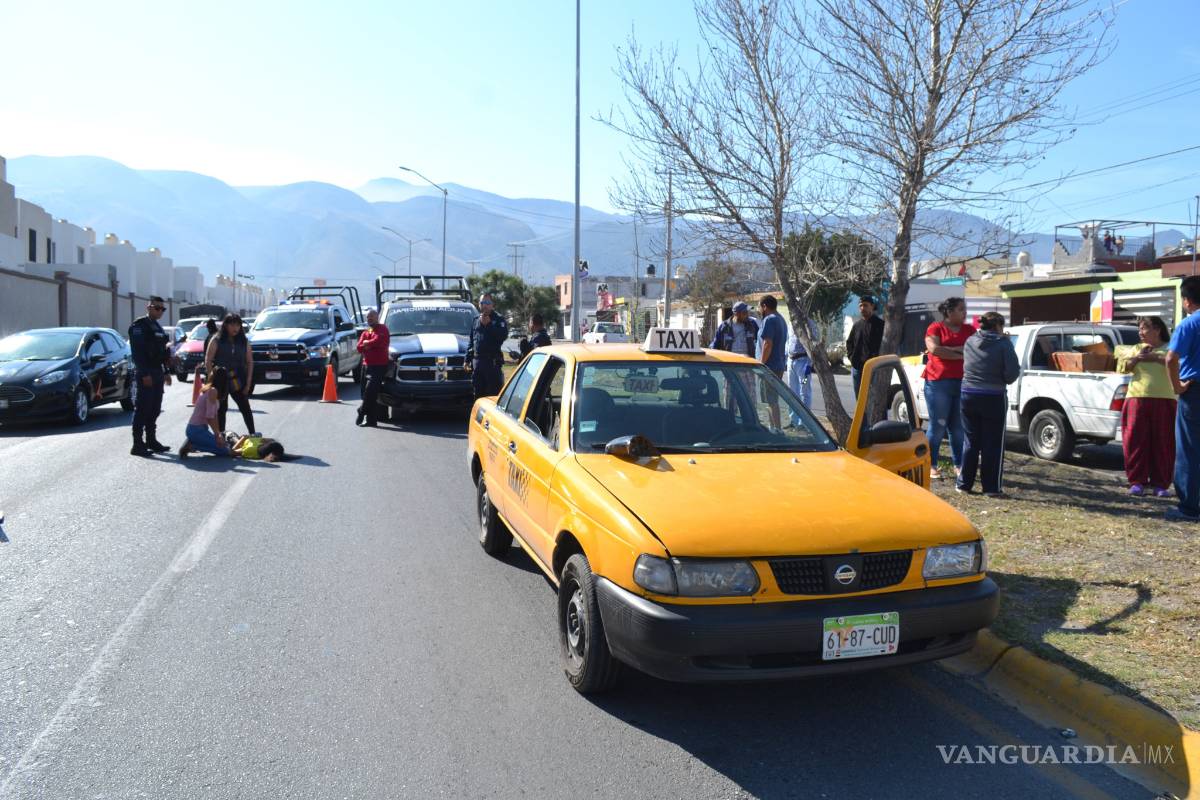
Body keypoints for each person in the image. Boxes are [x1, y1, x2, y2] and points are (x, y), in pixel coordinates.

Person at [956, 312, 1019, 497]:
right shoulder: (1003, 344)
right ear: (998, 326)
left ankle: (963, 484)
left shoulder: (969, 341)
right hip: (993, 396)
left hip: (968, 394)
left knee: (970, 441)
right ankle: (991, 487)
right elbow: (1011, 375)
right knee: (992, 443)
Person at [1116, 316, 1175, 497]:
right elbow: (1121, 367)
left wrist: (1156, 358)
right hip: (1136, 399)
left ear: (1157, 329)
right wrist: (1137, 359)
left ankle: (1161, 484)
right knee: (1135, 441)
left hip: (1165, 399)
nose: (1140, 332)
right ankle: (1137, 482)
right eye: (1139, 329)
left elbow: (1178, 364)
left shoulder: (1171, 348)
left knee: (1163, 442)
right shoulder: (1135, 349)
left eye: (1144, 328)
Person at [923, 297, 976, 479]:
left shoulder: (970, 330)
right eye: (961, 309)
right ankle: (930, 464)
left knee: (958, 427)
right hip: (938, 382)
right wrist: (961, 351)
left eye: (965, 309)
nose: (965, 312)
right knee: (938, 425)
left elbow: (975, 351)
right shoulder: (935, 328)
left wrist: (951, 350)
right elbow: (935, 350)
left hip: (963, 382)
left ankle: (959, 464)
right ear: (949, 312)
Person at [1166, 276, 1200, 522]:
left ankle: (1188, 507)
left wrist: (1177, 386)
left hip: (1194, 391)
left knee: (1188, 449)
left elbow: (1170, 358)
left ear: (1187, 301)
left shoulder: (1189, 325)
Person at [128, 295, 173, 456]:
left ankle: (151, 440)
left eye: (162, 308)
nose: (160, 311)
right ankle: (137, 444)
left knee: (154, 408)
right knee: (143, 408)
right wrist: (145, 373)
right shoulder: (139, 326)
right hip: (146, 372)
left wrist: (166, 372)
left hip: (157, 371)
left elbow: (162, 353)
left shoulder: (158, 328)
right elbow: (138, 353)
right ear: (149, 307)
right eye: (157, 307)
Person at [204, 314, 255, 436]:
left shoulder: (244, 341)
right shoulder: (216, 339)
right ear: (225, 325)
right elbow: (208, 359)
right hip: (220, 380)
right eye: (232, 324)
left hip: (238, 380)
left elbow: (250, 362)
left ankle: (253, 434)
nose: (235, 328)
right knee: (221, 409)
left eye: (238, 325)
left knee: (245, 407)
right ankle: (221, 436)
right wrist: (211, 380)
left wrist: (248, 383)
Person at [179, 366, 231, 458]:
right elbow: (210, 416)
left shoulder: (211, 390)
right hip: (196, 430)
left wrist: (218, 433)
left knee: (223, 446)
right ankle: (193, 445)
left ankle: (193, 442)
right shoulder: (213, 391)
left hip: (200, 428)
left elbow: (215, 416)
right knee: (225, 450)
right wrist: (217, 435)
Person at [355, 307, 391, 427]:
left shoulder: (383, 329)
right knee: (368, 393)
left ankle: (361, 411)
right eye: (368, 317)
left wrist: (367, 343)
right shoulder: (366, 332)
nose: (369, 319)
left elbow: (380, 341)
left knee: (370, 391)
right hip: (366, 366)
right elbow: (359, 347)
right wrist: (367, 344)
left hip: (379, 366)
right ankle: (371, 421)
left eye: (372, 316)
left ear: (377, 317)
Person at [470, 293, 509, 399]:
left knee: (492, 396)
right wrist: (467, 359)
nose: (485, 305)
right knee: (478, 395)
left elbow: (502, 336)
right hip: (478, 364)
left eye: (488, 303)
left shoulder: (498, 319)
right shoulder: (475, 320)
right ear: (479, 304)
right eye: (483, 303)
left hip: (492, 363)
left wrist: (489, 325)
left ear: (492, 305)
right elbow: (471, 341)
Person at [757, 295, 787, 429]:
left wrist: (761, 364)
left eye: (759, 307)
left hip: (769, 366)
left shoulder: (769, 319)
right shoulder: (781, 319)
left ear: (764, 306)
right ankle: (774, 427)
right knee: (772, 400)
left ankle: (775, 429)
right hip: (778, 365)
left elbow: (767, 344)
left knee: (770, 401)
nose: (759, 310)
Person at [846, 295, 885, 397]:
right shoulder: (857, 325)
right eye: (861, 306)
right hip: (857, 368)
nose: (863, 308)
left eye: (865, 305)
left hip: (874, 369)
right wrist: (851, 358)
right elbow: (849, 343)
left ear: (872, 306)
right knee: (860, 399)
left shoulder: (880, 325)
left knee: (873, 398)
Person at [785, 316, 820, 415]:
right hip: (791, 362)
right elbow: (788, 340)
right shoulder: (791, 323)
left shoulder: (809, 323)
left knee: (804, 390)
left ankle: (804, 422)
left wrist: (810, 363)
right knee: (792, 392)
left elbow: (814, 342)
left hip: (805, 364)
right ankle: (793, 420)